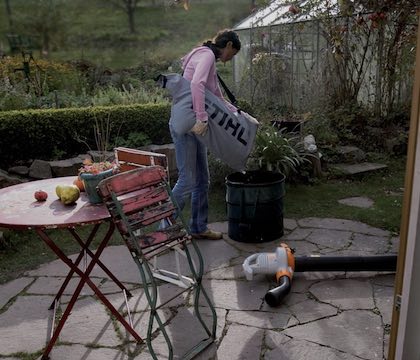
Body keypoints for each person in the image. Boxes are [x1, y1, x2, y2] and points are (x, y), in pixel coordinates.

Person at [169, 29, 241, 240]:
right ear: (228, 45)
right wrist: (201, 117)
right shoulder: (207, 55)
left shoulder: (206, 55)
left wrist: (237, 113)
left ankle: (198, 227)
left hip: (196, 127)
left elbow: (216, 94)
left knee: (202, 180)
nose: (230, 59)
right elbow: (196, 84)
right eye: (233, 54)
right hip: (189, 125)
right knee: (187, 179)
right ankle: (165, 228)